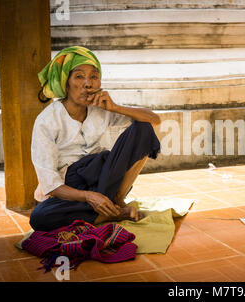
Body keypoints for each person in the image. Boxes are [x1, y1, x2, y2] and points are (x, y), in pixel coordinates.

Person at [29, 46, 161, 232]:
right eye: (79, 76)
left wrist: (115, 107)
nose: (88, 84)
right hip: (71, 186)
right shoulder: (47, 120)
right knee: (40, 217)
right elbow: (51, 185)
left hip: (102, 175)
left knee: (143, 127)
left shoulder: (102, 108)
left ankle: (116, 201)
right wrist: (88, 197)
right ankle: (112, 212)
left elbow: (154, 120)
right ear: (66, 82)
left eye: (93, 76)